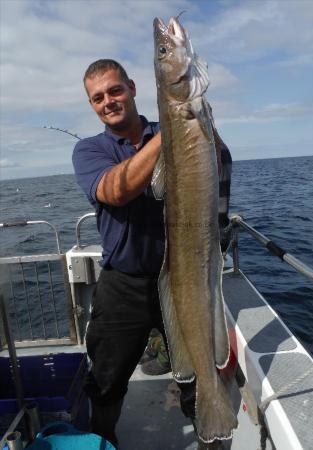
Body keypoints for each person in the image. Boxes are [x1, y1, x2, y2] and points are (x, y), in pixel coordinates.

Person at [72, 59, 232, 450]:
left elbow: (220, 162)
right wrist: (173, 125)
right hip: (123, 284)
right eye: (98, 98)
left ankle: (209, 430)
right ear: (92, 105)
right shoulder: (90, 149)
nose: (108, 101)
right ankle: (102, 437)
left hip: (184, 276)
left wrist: (187, 121)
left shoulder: (174, 127)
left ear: (132, 87)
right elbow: (114, 190)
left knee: (195, 368)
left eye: (115, 90)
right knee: (106, 378)